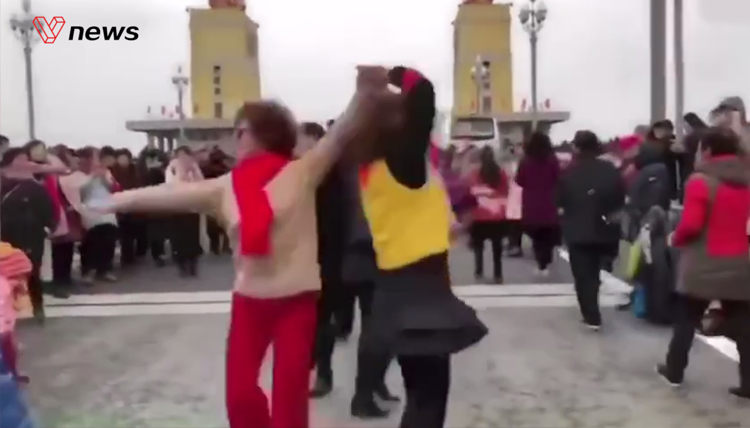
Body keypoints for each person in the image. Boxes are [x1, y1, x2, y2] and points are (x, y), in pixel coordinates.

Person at [90, 67, 393, 428]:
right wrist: (112, 202)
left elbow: (340, 133)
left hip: (297, 301)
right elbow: (167, 194)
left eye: (241, 129)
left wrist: (365, 93)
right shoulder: (224, 186)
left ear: (263, 134)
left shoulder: (302, 172)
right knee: (240, 395)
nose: (236, 137)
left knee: (289, 394)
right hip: (250, 302)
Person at [352, 66, 487, 428]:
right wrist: (400, 75)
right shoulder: (402, 164)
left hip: (400, 288)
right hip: (419, 293)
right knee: (428, 403)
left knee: (422, 398)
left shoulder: (376, 166)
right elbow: (424, 99)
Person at [656, 127, 750, 399]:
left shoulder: (700, 181)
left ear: (707, 150)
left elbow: (692, 224)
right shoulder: (746, 180)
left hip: (704, 263)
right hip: (740, 262)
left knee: (686, 318)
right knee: (744, 325)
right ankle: (748, 384)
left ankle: (674, 371)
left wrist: (674, 237)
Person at [555, 130, 625, 330]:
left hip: (577, 229)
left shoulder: (569, 172)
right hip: (605, 228)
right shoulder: (609, 169)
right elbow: (620, 195)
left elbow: (559, 200)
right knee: (594, 271)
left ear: (576, 147)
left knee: (583, 274)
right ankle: (600, 277)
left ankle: (591, 315)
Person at [515, 132, 561, 276]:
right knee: (548, 232)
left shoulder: (525, 161)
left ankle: (541, 263)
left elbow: (519, 180)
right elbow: (559, 178)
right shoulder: (552, 160)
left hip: (531, 202)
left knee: (536, 235)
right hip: (549, 201)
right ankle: (546, 259)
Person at [76, 147, 119, 284]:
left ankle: (105, 270)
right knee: (92, 242)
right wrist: (92, 176)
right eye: (93, 157)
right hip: (90, 210)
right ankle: (88, 271)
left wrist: (103, 177)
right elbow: (80, 191)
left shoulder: (106, 171)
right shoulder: (79, 173)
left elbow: (112, 188)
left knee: (109, 240)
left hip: (107, 209)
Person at [468, 146, 509, 283]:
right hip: (497, 215)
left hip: (479, 215)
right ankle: (498, 274)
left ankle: (478, 271)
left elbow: (470, 192)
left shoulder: (475, 173)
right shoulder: (501, 173)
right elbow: (506, 192)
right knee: (497, 247)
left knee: (478, 246)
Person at [165, 146, 204, 277]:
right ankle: (181, 263)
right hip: (177, 206)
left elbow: (202, 183)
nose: (183, 158)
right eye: (180, 155)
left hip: (192, 206)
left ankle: (193, 263)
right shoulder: (172, 167)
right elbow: (170, 185)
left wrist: (193, 171)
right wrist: (181, 173)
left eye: (185, 155)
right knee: (178, 237)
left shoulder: (194, 166)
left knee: (193, 236)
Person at [111, 149, 141, 267]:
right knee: (123, 234)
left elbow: (138, 186)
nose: (123, 161)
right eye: (121, 158)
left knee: (131, 233)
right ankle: (125, 257)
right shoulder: (113, 173)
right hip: (118, 206)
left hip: (132, 206)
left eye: (125, 158)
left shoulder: (134, 172)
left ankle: (130, 256)